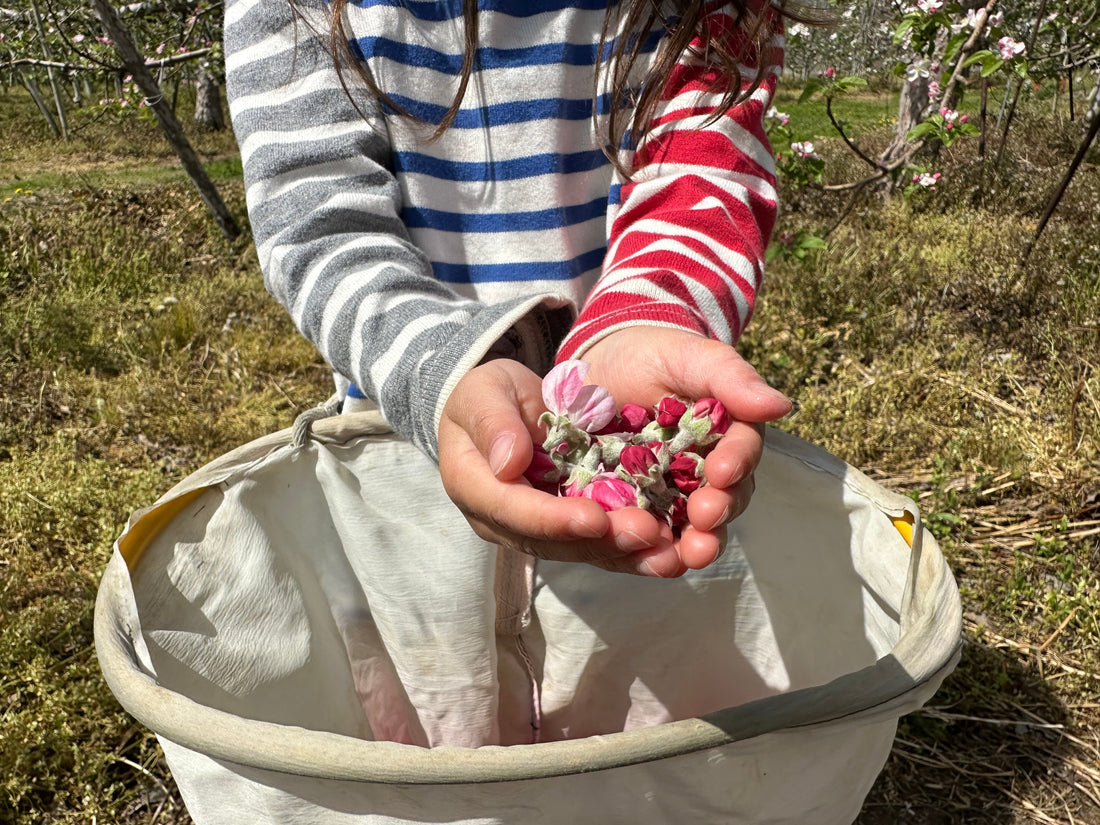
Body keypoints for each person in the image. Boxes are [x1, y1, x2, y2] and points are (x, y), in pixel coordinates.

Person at [224, 0, 793, 580]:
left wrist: (648, 316)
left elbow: (702, 180)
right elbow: (320, 226)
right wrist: (448, 372)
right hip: (406, 434)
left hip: (621, 461)